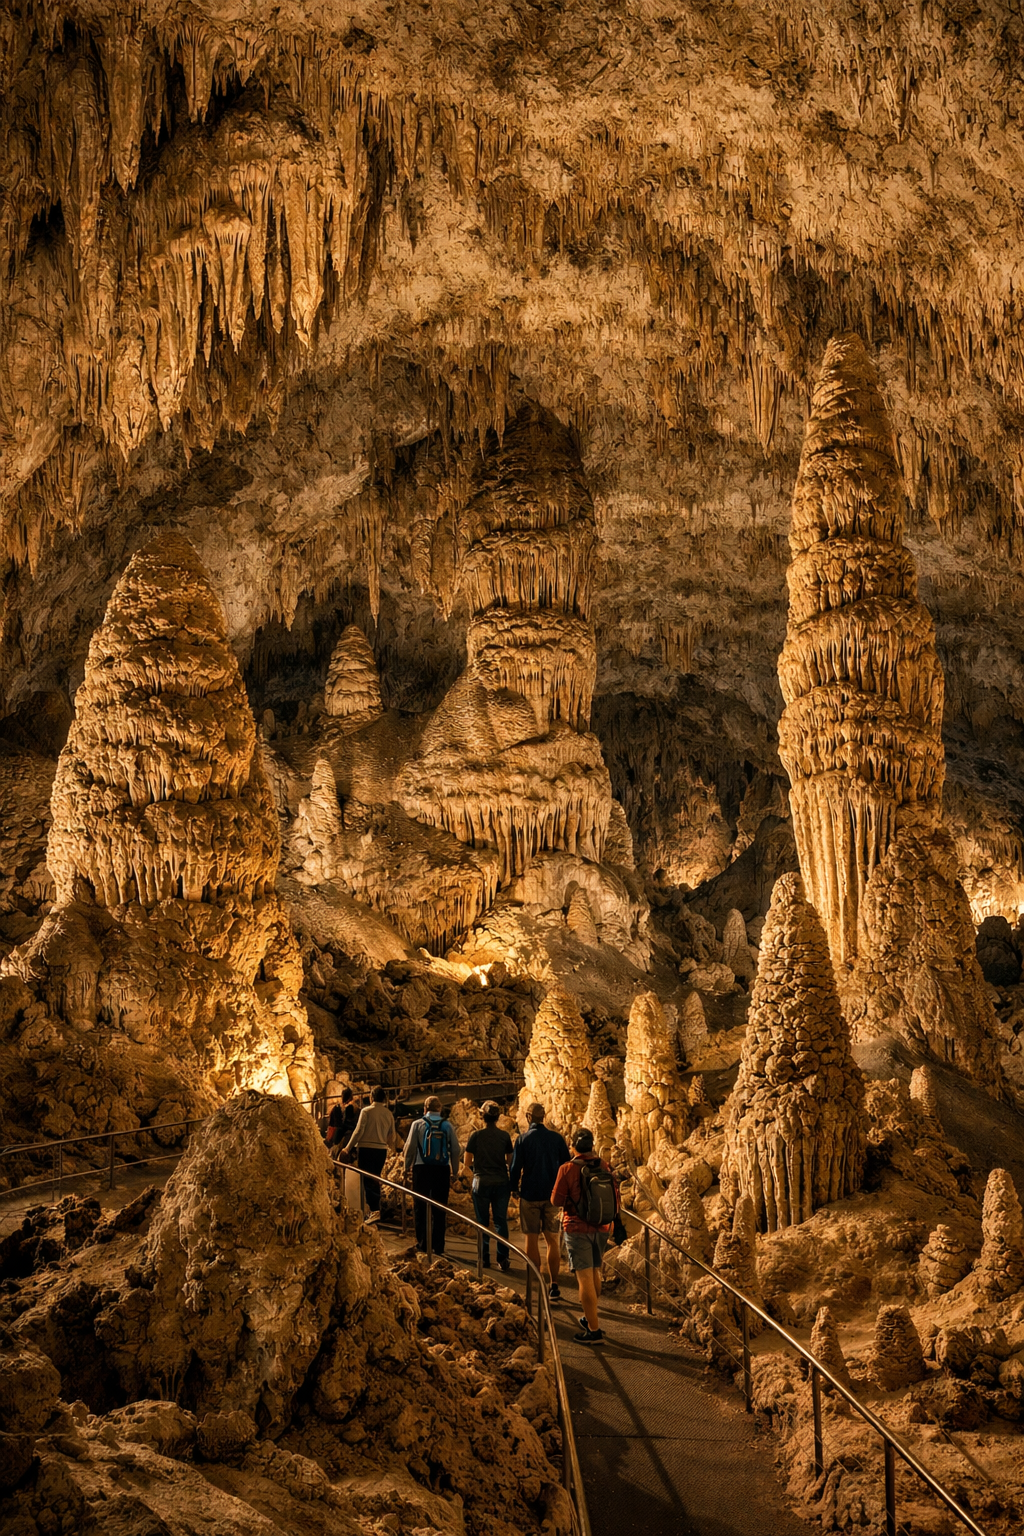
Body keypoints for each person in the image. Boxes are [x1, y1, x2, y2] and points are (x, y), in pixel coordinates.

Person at [551, 1127, 620, 1344]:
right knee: (595, 1271)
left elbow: (555, 1200)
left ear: (572, 1146)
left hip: (577, 1227)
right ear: (592, 1146)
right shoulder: (604, 1165)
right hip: (601, 1226)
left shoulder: (567, 1168)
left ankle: (594, 1330)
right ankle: (591, 1317)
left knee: (584, 1277)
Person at [509, 1103, 569, 1299]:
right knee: (553, 1240)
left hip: (530, 1194)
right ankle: (554, 1284)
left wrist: (513, 1189)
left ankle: (536, 1283)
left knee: (531, 1239)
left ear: (528, 1117)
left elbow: (515, 1168)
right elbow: (566, 1166)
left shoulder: (523, 1140)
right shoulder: (557, 1139)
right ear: (543, 1117)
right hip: (553, 1196)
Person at [403, 1095, 460, 1256]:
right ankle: (439, 1245)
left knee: (420, 1206)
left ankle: (423, 1243)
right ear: (440, 1109)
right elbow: (455, 1150)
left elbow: (409, 1148)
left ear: (425, 1109)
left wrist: (406, 1167)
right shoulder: (447, 1126)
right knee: (440, 1208)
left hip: (421, 1168)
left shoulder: (417, 1124)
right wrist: (454, 1171)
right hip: (442, 1169)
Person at [464, 1101, 514, 1271]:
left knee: (482, 1222)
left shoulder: (476, 1136)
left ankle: (484, 1258)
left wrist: (476, 1169)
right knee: (501, 1221)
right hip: (501, 1181)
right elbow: (510, 1160)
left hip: (481, 1182)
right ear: (498, 1117)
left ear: (482, 1116)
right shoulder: (505, 1136)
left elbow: (467, 1160)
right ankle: (503, 1258)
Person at [345, 1086, 396, 1222]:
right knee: (375, 1178)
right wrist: (390, 1147)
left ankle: (374, 1210)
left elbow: (358, 1131)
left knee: (368, 1179)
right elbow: (392, 1135)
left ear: (371, 1097)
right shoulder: (388, 1114)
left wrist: (347, 1148)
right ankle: (374, 1209)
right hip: (381, 1150)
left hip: (366, 1149)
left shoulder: (366, 1111)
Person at [325, 1086, 359, 1155]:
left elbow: (332, 1124)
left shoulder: (338, 1108)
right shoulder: (355, 1108)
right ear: (351, 1097)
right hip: (351, 1136)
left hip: (339, 1135)